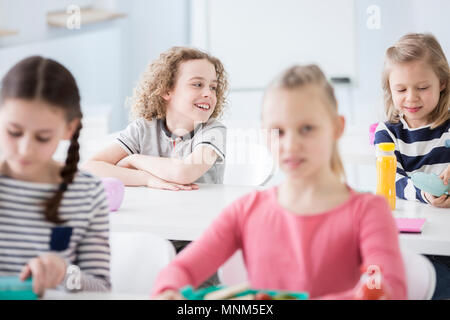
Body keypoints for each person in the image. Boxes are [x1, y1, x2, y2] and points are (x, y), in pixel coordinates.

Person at [152, 65, 407, 300]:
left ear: (336, 128)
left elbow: (386, 288)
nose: (290, 145)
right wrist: (169, 291)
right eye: (279, 131)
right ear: (265, 134)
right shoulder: (245, 210)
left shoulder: (369, 211)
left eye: (307, 128)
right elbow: (181, 269)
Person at [0, 56, 111, 296]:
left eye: (42, 137)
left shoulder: (86, 193)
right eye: (14, 132)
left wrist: (64, 273)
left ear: (69, 129)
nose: (25, 149)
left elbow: (101, 289)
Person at [82, 46, 229, 191]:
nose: (208, 94)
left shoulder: (214, 131)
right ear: (166, 90)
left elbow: (184, 173)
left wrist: (134, 159)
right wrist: (146, 179)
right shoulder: (142, 129)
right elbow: (89, 168)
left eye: (213, 87)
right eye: (197, 84)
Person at [374, 33, 450, 300]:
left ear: (441, 83)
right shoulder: (388, 134)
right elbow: (392, 180)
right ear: (389, 89)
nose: (411, 98)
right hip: (414, 243)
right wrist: (426, 195)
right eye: (401, 89)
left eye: (422, 87)